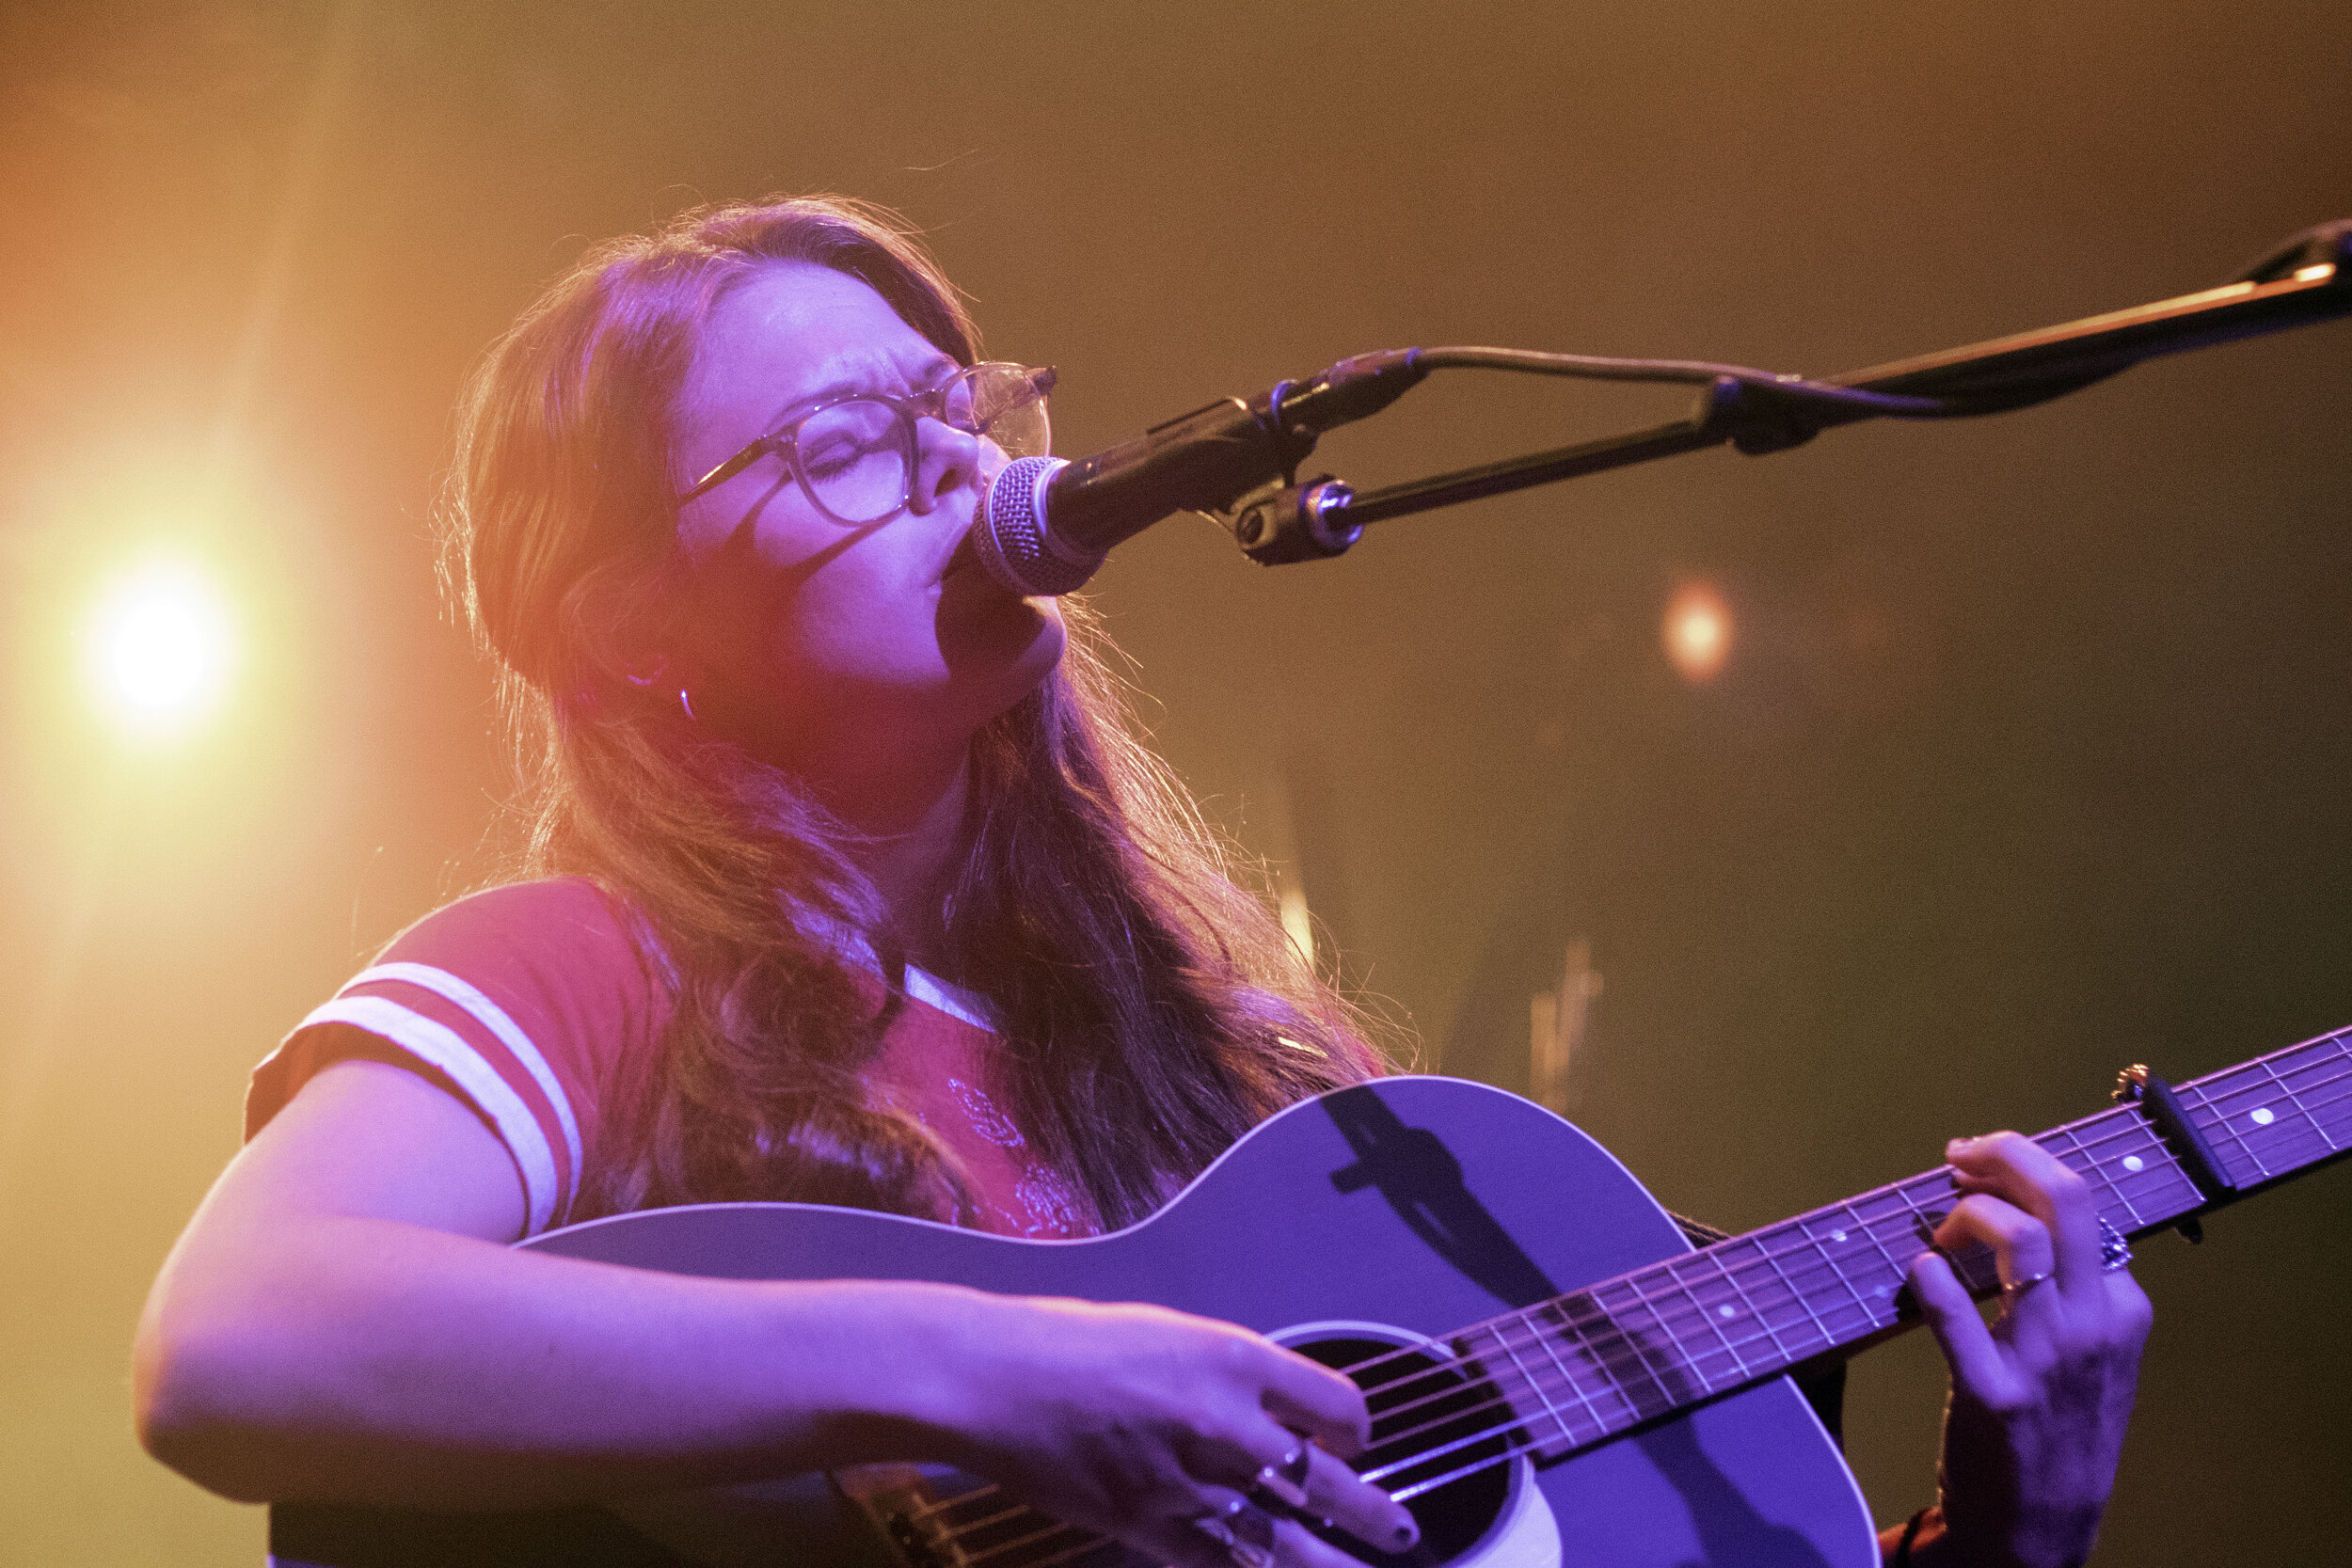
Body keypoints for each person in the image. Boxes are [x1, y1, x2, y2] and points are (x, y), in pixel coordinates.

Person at [134, 196, 2153, 1568]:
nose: (959, 467)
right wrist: (989, 1374)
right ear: (631, 620)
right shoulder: (582, 973)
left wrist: (2009, 1540)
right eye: (849, 435)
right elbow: (236, 1345)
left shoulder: (1252, 1089)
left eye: (961, 410)